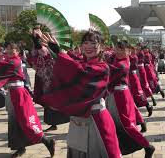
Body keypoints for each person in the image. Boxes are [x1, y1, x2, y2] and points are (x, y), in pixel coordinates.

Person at [40, 30, 121, 158]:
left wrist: (60, 53)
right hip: (77, 120)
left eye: (93, 43)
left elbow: (80, 71)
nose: (88, 46)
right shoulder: (81, 62)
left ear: (102, 47)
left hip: (96, 121)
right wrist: (56, 52)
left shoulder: (102, 67)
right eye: (85, 42)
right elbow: (71, 67)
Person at [0, 42, 55, 158]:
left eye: (12, 49)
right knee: (14, 122)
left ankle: (47, 141)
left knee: (27, 121)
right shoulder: (9, 60)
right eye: (8, 49)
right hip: (12, 93)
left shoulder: (14, 62)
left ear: (18, 51)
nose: (9, 51)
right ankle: (20, 147)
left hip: (19, 94)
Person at [106, 40, 155, 157]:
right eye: (116, 48)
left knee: (126, 124)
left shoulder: (123, 63)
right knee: (115, 123)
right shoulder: (117, 59)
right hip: (118, 94)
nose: (118, 51)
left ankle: (147, 146)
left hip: (120, 96)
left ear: (127, 51)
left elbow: (110, 71)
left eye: (121, 49)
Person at [28, 28, 69, 132]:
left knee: (52, 99)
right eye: (42, 38)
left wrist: (36, 39)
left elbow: (42, 51)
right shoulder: (38, 48)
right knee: (47, 100)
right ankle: (53, 123)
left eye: (44, 38)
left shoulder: (50, 49)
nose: (43, 40)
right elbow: (34, 57)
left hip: (51, 78)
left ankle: (60, 120)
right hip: (43, 77)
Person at [129, 46, 153, 117]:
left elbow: (134, 66)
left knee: (140, 94)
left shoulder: (134, 57)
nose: (131, 51)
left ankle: (148, 107)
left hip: (133, 78)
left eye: (132, 50)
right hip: (130, 79)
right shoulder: (130, 57)